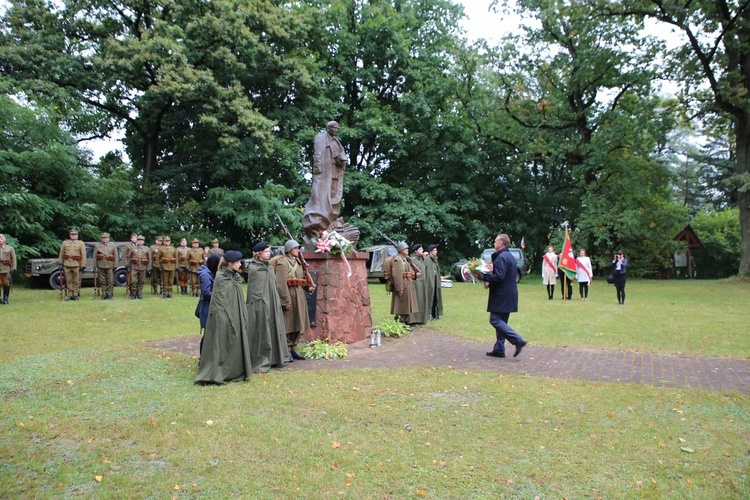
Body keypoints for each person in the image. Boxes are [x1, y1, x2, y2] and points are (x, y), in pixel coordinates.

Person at [195, 251, 253, 385]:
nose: (240, 264)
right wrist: (224, 317)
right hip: (223, 315)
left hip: (236, 313)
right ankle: (220, 371)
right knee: (221, 342)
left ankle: (235, 370)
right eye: (238, 262)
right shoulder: (221, 277)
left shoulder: (236, 277)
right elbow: (218, 301)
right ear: (230, 263)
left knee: (236, 340)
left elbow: (238, 298)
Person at [302, 121, 359, 247]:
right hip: (324, 172)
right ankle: (320, 220)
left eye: (337, 128)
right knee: (321, 195)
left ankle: (331, 220)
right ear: (328, 128)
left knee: (334, 196)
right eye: (334, 128)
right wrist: (317, 169)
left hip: (334, 173)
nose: (336, 130)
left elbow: (340, 154)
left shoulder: (336, 142)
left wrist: (341, 160)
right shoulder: (321, 137)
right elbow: (318, 153)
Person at [474, 234, 528, 358]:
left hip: (502, 294)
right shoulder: (508, 256)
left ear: (501, 243)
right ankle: (499, 349)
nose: (494, 243)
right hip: (508, 293)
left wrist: (482, 276)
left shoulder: (502, 257)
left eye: (495, 241)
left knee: (495, 320)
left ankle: (517, 340)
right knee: (502, 321)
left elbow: (499, 276)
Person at [245, 241, 290, 373]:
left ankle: (276, 358)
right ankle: (262, 359)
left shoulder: (269, 267)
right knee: (262, 329)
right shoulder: (254, 269)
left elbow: (273, 285)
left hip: (272, 302)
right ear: (259, 254)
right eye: (266, 251)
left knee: (274, 327)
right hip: (260, 304)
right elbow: (254, 291)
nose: (269, 253)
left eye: (269, 251)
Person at [273, 240, 315, 362]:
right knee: (288, 323)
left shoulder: (298, 262)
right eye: (295, 248)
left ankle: (294, 348)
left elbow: (302, 278)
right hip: (289, 295)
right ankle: (286, 349)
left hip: (299, 295)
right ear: (289, 249)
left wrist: (308, 287)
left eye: (298, 248)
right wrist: (285, 300)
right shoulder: (283, 263)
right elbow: (281, 284)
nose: (297, 250)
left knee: (298, 322)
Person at [390, 241, 418, 323]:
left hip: (408, 284)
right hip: (403, 285)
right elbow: (397, 275)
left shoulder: (405, 259)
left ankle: (404, 323)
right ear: (400, 249)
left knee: (406, 306)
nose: (407, 250)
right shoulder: (398, 260)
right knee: (401, 306)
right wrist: (399, 288)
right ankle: (400, 323)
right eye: (405, 248)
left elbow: (410, 271)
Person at [58, 228, 87, 301]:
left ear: (77, 235)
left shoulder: (80, 243)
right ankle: (70, 294)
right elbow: (61, 253)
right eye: (72, 234)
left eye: (75, 234)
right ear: (69, 235)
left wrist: (83, 265)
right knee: (68, 280)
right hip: (67, 264)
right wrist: (60, 263)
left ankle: (75, 294)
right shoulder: (65, 243)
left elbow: (83, 255)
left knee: (76, 280)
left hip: (76, 264)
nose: (73, 236)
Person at [197, 254, 222, 339]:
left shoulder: (211, 272)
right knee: (208, 334)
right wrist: (220, 296)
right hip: (207, 306)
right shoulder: (206, 274)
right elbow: (206, 292)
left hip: (211, 304)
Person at [407, 244, 429, 325]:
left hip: (422, 283)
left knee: (421, 301)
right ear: (415, 251)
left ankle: (421, 318)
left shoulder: (421, 259)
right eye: (420, 249)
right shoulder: (412, 259)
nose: (422, 250)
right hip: (416, 283)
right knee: (416, 301)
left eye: (422, 248)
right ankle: (414, 319)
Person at [94, 232, 118, 299]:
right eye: (103, 238)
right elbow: (94, 257)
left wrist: (115, 265)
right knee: (102, 281)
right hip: (100, 265)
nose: (104, 239)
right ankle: (104, 294)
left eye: (106, 238)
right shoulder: (97, 246)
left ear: (108, 238)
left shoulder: (113, 246)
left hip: (110, 265)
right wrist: (95, 266)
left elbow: (116, 256)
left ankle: (109, 293)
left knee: (110, 281)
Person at [423, 244, 443, 320]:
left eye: (436, 250)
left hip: (435, 281)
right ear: (430, 251)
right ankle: (429, 314)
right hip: (429, 282)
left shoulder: (435, 260)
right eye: (434, 250)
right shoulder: (427, 260)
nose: (436, 252)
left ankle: (435, 313)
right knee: (429, 297)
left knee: (436, 297)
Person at [0, 233, 17, 305]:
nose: (0, 240)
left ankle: (5, 298)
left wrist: (13, 268)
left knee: (6, 284)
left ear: (4, 239)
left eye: (1, 238)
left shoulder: (10, 248)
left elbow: (14, 259)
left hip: (6, 269)